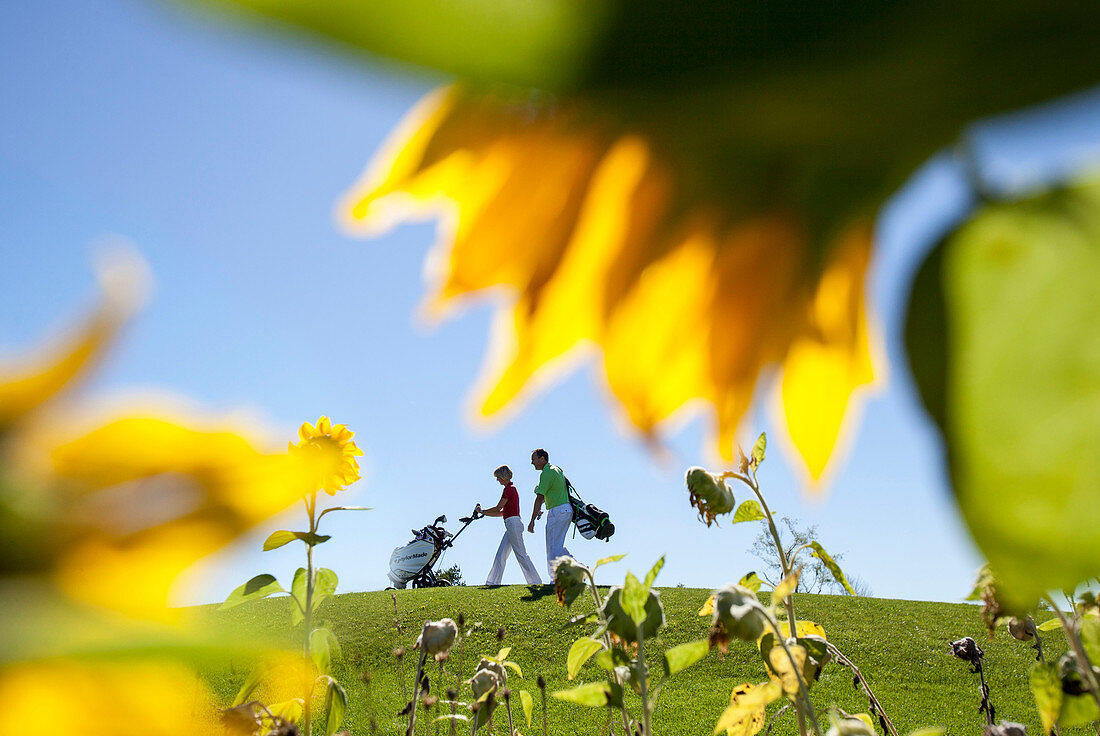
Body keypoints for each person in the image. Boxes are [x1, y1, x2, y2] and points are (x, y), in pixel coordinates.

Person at [477, 465, 542, 586]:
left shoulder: (509, 489)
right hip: (510, 525)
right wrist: (484, 513)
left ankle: (535, 582)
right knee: (500, 554)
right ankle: (493, 582)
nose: (497, 480)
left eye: (498, 477)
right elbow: (502, 513)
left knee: (521, 555)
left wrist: (482, 511)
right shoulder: (510, 489)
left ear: (503, 477)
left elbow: (497, 508)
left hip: (513, 525)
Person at [526, 448, 572, 579]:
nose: (532, 463)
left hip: (557, 511)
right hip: (565, 510)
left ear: (542, 459)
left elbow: (539, 497)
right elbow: (553, 491)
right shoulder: (556, 469)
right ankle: (578, 568)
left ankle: (555, 579)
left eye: (533, 459)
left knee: (552, 548)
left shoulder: (546, 473)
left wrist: (532, 520)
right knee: (557, 546)